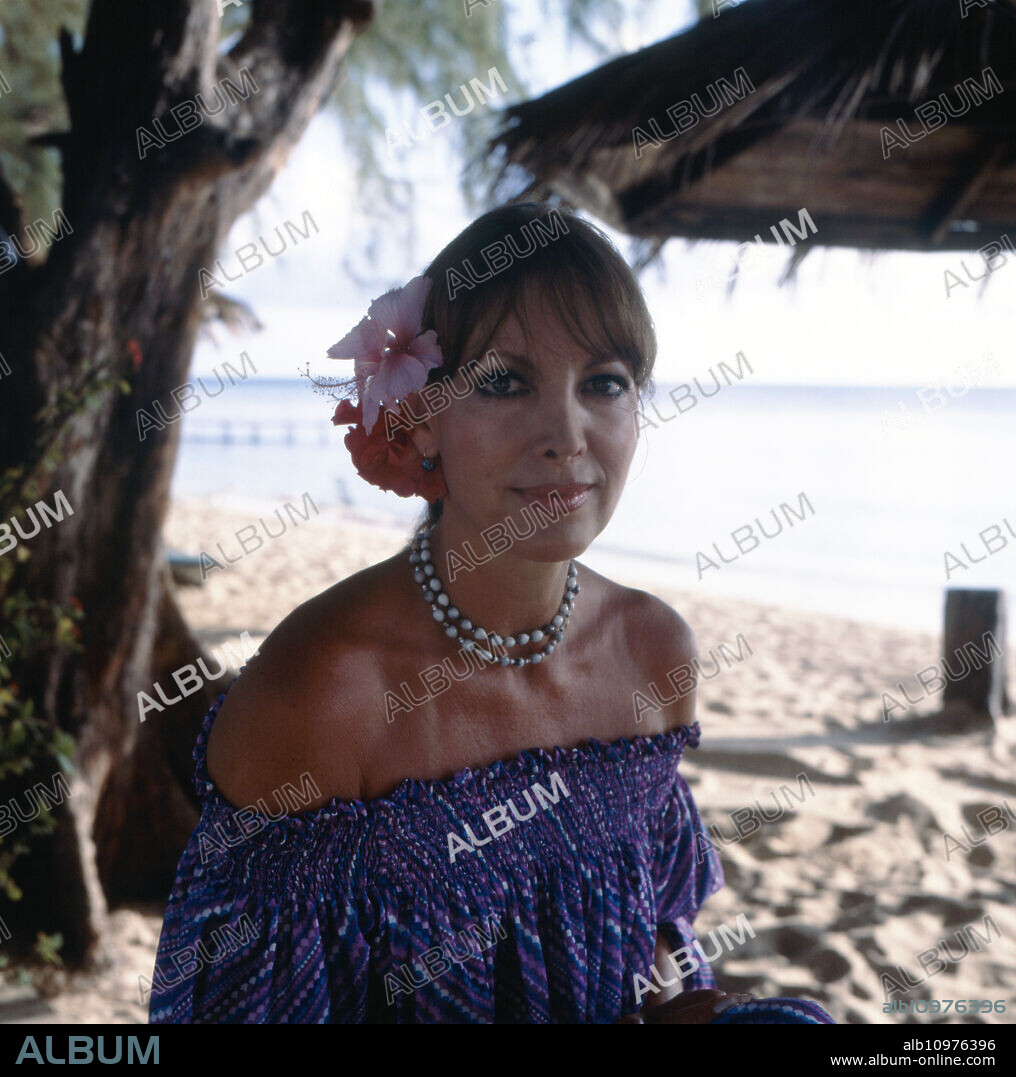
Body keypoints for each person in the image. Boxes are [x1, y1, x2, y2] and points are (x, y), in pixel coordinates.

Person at [147, 203, 834, 1025]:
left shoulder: (653, 654)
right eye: (506, 381)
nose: (567, 434)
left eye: (604, 382)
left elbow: (654, 944)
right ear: (421, 417)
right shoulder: (322, 694)